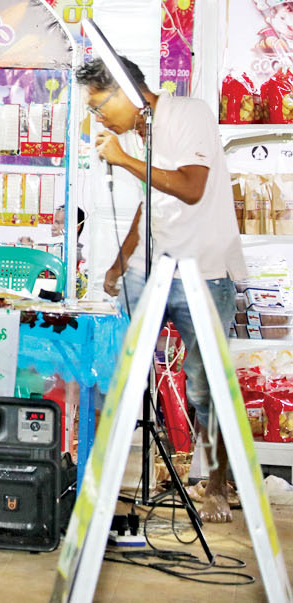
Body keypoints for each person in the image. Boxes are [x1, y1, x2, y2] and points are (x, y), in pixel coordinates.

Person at [78, 55, 244, 523]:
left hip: (203, 271)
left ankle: (216, 486)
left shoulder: (189, 114)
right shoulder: (136, 135)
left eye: (99, 107)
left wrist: (125, 160)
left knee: (206, 387)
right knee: (117, 370)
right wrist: (120, 261)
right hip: (151, 269)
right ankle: (103, 481)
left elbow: (190, 188)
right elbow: (149, 206)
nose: (98, 118)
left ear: (127, 92)